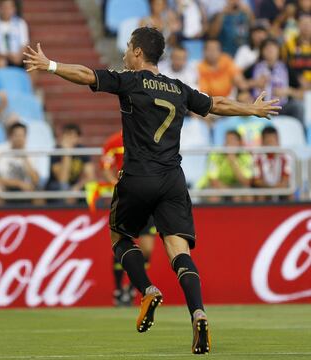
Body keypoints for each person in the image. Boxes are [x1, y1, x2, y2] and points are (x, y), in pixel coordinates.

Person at [24, 26, 281, 354]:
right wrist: (251, 109)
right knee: (179, 253)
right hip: (173, 179)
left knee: (119, 238)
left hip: (137, 175)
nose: (124, 54)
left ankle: (146, 290)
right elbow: (215, 103)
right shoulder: (178, 88)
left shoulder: (130, 80)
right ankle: (198, 312)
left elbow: (87, 74)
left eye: (128, 48)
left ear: (138, 53)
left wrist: (50, 66)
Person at [101, 130, 157, 306]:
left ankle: (133, 287)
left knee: (147, 248)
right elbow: (106, 169)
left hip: (146, 199)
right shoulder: (113, 141)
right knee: (122, 242)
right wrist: (117, 186)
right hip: (125, 199)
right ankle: (118, 289)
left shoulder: (149, 138)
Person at [251, 37, 305, 123]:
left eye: (273, 48)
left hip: (282, 107)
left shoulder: (286, 68)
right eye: (267, 48)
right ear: (262, 51)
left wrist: (288, 91)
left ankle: (300, 133)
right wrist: (255, 83)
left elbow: (302, 94)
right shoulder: (254, 67)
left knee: (298, 106)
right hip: (259, 107)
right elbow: (242, 85)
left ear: (278, 51)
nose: (270, 51)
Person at [197, 130, 254, 202]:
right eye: (227, 141)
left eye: (232, 141)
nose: (228, 144)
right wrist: (232, 193)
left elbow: (246, 182)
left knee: (247, 193)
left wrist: (233, 161)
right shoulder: (215, 155)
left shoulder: (246, 156)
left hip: (236, 186)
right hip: (216, 186)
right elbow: (213, 181)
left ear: (239, 143)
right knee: (214, 195)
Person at [46, 123, 95, 205]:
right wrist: (67, 153)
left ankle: (90, 215)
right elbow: (62, 180)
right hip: (55, 185)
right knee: (63, 188)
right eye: (67, 135)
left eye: (73, 136)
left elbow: (91, 177)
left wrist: (77, 187)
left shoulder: (82, 150)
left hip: (74, 185)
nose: (70, 139)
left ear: (78, 138)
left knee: (91, 187)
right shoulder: (56, 151)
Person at [0, 122, 39, 201]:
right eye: (16, 135)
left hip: (25, 189)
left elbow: (36, 180)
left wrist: (25, 158)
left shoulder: (31, 152)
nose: (19, 139)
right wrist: (18, 183)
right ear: (10, 136)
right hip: (5, 187)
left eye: (22, 136)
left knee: (39, 195)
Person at [0, 0, 29, 67]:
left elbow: (25, 45)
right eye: (4, 7)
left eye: (9, 8)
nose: (6, 11)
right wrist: (4, 55)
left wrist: (18, 57)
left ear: (14, 9)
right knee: (1, 62)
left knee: (31, 64)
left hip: (16, 57)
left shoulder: (20, 23)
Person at [253, 126, 292, 201]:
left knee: (289, 193)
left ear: (278, 142)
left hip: (280, 188)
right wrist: (270, 189)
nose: (270, 144)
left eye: (273, 141)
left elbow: (285, 180)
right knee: (261, 194)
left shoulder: (286, 157)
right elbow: (257, 181)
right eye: (268, 141)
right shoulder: (256, 157)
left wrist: (275, 188)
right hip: (264, 189)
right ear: (262, 142)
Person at [282, 14, 311, 89]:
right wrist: (299, 79)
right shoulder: (289, 44)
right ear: (298, 25)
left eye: (308, 24)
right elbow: (286, 65)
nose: (306, 27)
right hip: (295, 86)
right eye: (303, 24)